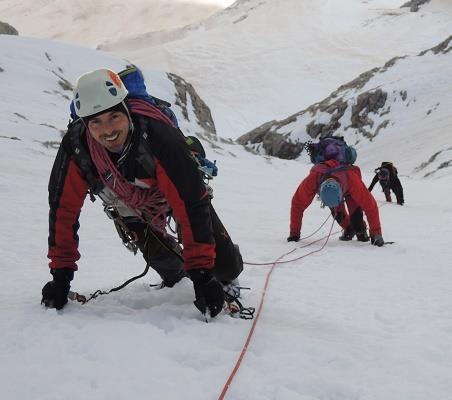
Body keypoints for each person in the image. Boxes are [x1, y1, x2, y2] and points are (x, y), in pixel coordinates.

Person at [41, 68, 243, 318]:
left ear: (126, 109)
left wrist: (202, 275)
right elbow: (63, 211)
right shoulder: (77, 147)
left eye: (114, 116)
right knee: (171, 270)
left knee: (227, 268)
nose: (108, 130)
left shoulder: (158, 135)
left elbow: (190, 203)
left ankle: (217, 265)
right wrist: (61, 277)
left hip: (177, 193)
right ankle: (181, 274)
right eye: (96, 122)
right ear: (85, 124)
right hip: (129, 206)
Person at [287, 159, 384, 246]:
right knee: (337, 213)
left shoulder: (352, 179)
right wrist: (294, 234)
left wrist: (376, 234)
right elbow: (297, 204)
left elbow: (370, 206)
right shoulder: (313, 178)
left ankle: (361, 231)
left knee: (356, 217)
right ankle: (348, 229)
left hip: (349, 186)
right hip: (335, 186)